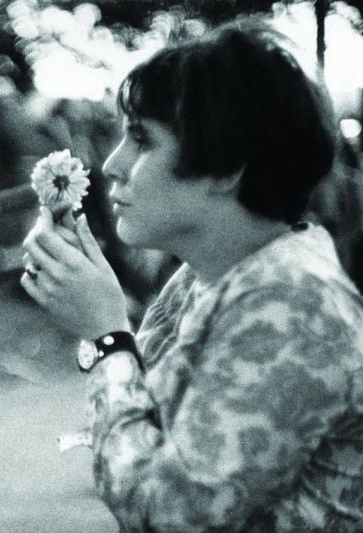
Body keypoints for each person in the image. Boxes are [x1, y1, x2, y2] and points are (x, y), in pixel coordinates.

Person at [21, 21, 363, 532]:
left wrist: (106, 336)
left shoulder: (293, 302)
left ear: (227, 167)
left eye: (142, 140)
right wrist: (96, 312)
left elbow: (171, 514)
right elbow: (144, 423)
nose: (112, 164)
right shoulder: (209, 277)